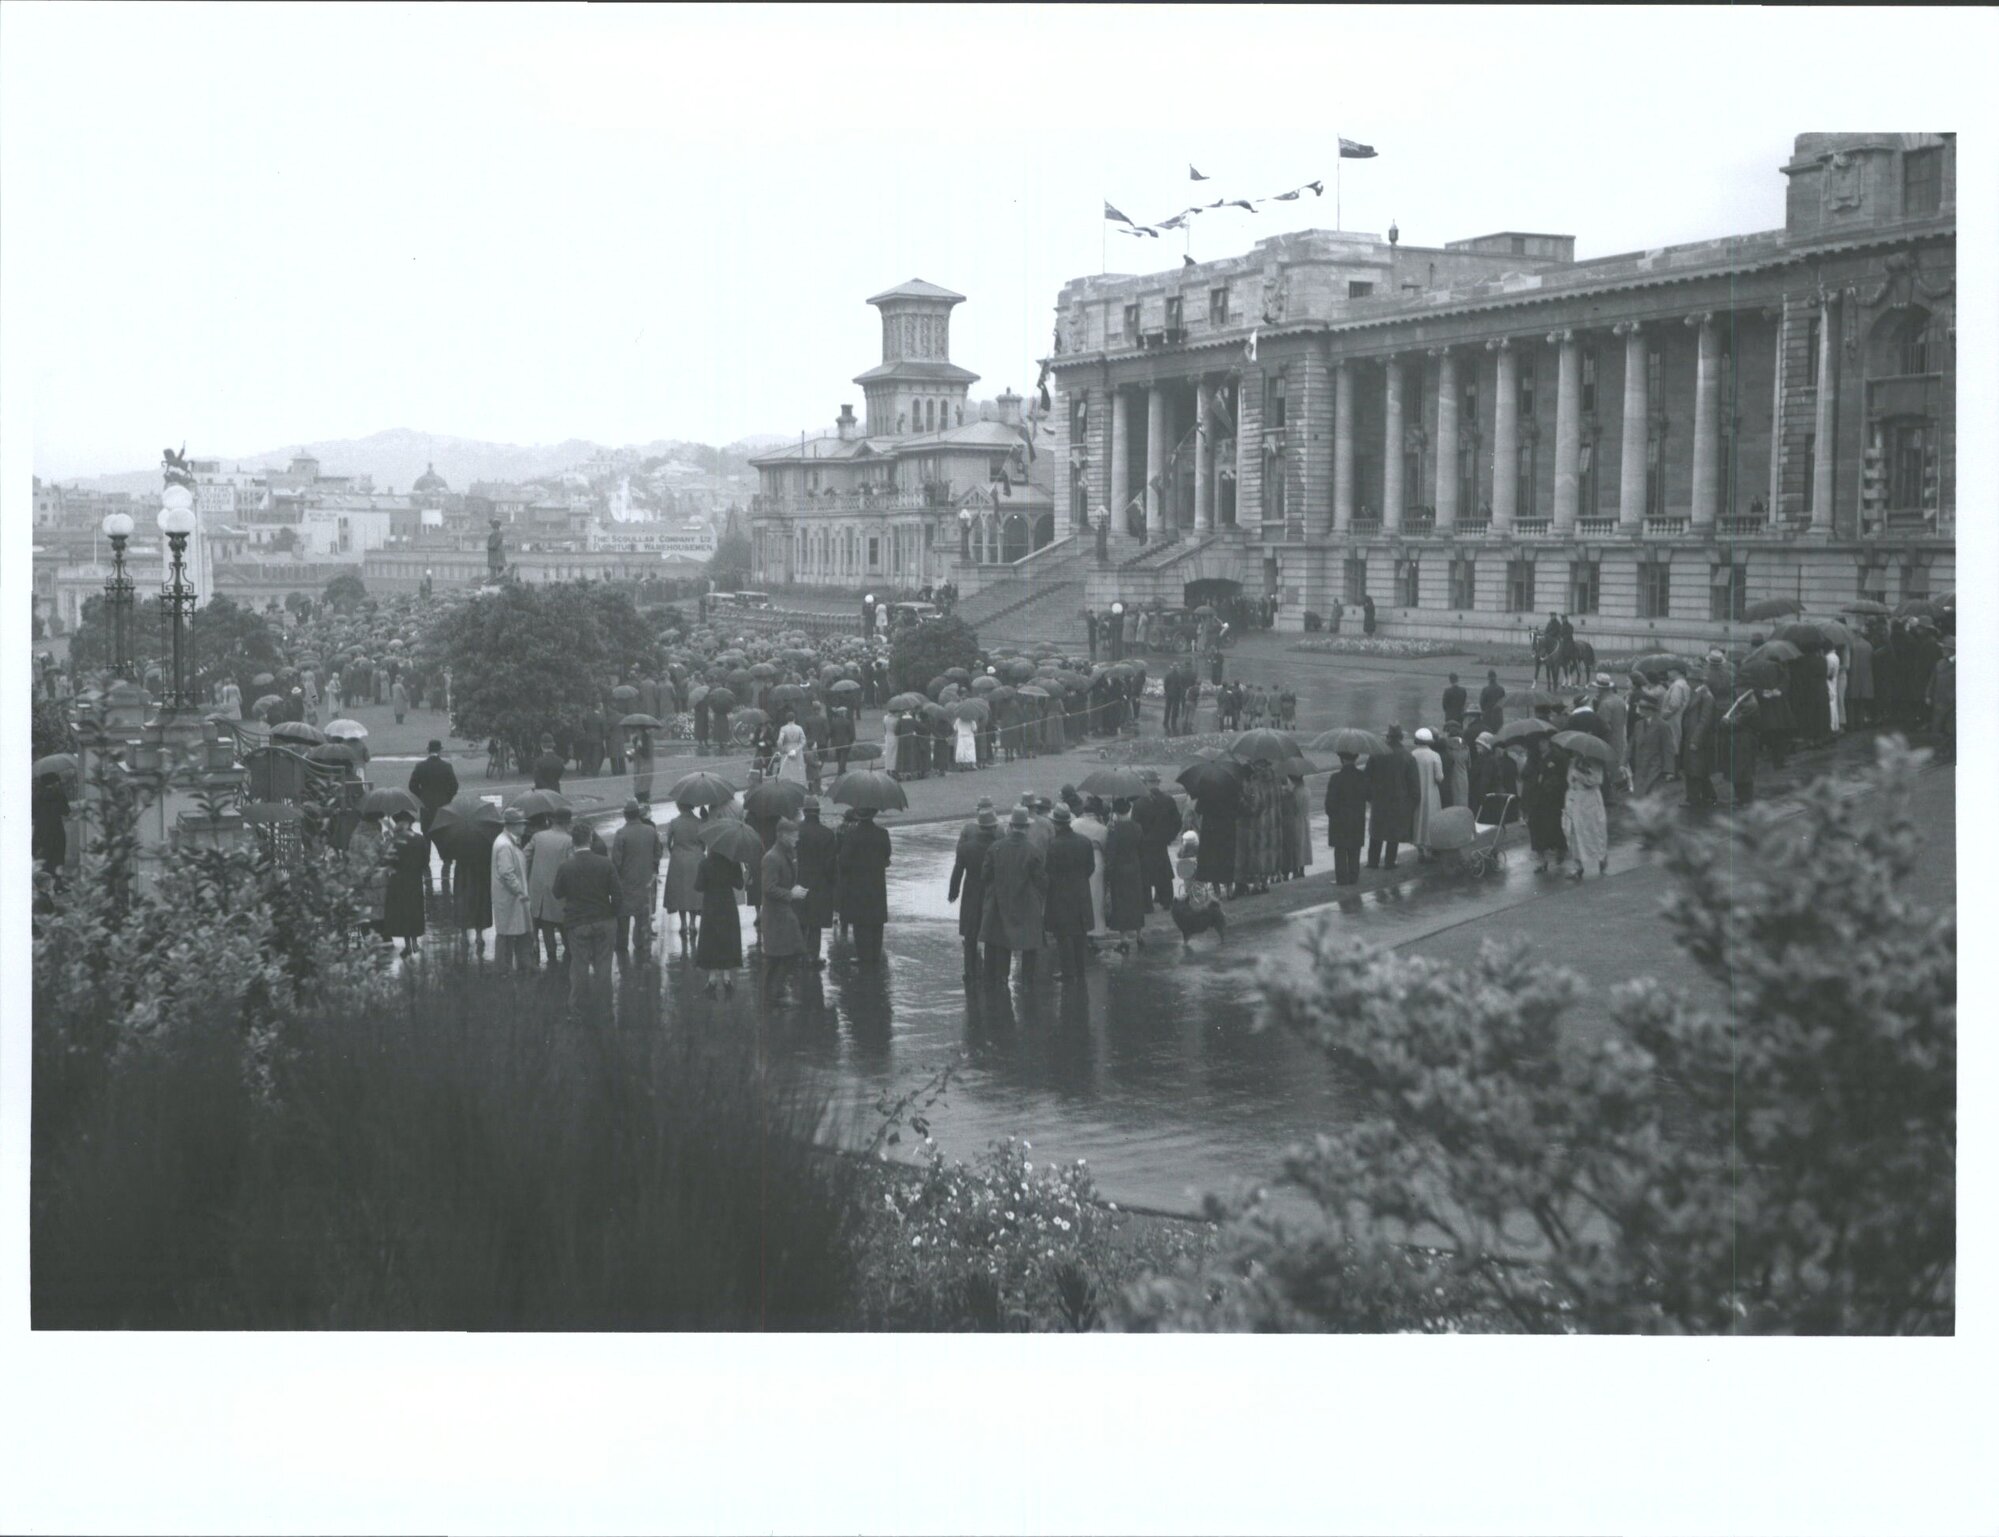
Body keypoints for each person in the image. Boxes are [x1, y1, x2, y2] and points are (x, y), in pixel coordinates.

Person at [552, 820, 619, 1018]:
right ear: (590, 839)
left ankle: (577, 1008)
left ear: (573, 841)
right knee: (603, 965)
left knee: (579, 965)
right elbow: (617, 894)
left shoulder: (566, 866)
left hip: (577, 921)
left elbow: (557, 893)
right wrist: (612, 914)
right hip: (603, 919)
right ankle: (604, 1007)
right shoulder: (605, 863)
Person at [979, 807, 1046, 982]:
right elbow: (1041, 880)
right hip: (1027, 903)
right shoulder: (1033, 850)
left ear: (1010, 825)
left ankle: (1002, 980)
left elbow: (985, 876)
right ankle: (1027, 982)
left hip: (1001, 902)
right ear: (1027, 827)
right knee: (1030, 944)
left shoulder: (996, 847)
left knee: (1002, 942)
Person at [1042, 805, 1096, 980]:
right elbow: (1090, 868)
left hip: (1060, 894)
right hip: (1081, 891)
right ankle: (1080, 970)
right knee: (1080, 933)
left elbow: (1048, 871)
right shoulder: (1084, 842)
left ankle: (1068, 972)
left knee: (1063, 935)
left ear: (1056, 823)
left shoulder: (1054, 845)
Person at [948, 803, 1001, 980]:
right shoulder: (999, 847)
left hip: (971, 891)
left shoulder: (965, 847)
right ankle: (991, 973)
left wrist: (953, 892)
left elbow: (957, 871)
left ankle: (969, 972)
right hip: (992, 892)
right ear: (993, 827)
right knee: (992, 933)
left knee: (970, 935)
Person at [759, 819, 810, 1000]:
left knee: (789, 953)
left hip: (784, 913)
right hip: (775, 916)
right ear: (783, 836)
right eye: (794, 835)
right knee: (778, 957)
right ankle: (772, 996)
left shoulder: (788, 853)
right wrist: (791, 893)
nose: (797, 839)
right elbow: (768, 888)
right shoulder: (772, 857)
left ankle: (774, 993)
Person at [836, 806, 891, 963]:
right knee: (877, 924)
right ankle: (875, 955)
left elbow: (843, 862)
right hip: (877, 885)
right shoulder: (882, 833)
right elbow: (887, 854)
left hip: (858, 886)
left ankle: (863, 956)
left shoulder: (851, 835)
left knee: (860, 925)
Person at [610, 799, 662, 962]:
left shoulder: (621, 834)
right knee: (642, 917)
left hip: (626, 883)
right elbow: (658, 853)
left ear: (625, 816)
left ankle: (622, 948)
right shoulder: (650, 831)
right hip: (645, 882)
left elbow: (616, 861)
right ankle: (640, 948)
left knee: (623, 919)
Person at [693, 841, 745, 996]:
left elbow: (698, 886)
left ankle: (712, 978)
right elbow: (739, 885)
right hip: (728, 905)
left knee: (711, 940)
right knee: (727, 939)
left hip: (710, 906)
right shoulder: (733, 863)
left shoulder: (704, 864)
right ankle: (727, 978)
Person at [794, 797, 839, 967]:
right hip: (820, 883)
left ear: (804, 812)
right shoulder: (827, 834)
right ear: (818, 812)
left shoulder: (797, 831)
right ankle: (813, 955)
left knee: (800, 920)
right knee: (815, 923)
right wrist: (833, 882)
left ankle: (799, 954)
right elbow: (831, 864)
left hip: (799, 881)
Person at [1364, 726, 1417, 870]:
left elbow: (1366, 778)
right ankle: (1389, 861)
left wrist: (1369, 797)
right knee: (1393, 833)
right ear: (1401, 737)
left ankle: (1373, 861)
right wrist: (1413, 801)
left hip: (1379, 798)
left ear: (1388, 737)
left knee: (1377, 831)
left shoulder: (1376, 754)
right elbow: (1413, 783)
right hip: (1399, 800)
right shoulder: (1407, 756)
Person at [526, 811, 573, 968]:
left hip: (538, 888)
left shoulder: (538, 837)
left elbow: (525, 856)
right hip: (560, 890)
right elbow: (572, 865)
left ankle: (550, 956)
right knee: (564, 924)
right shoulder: (569, 841)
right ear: (567, 822)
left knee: (546, 924)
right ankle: (568, 956)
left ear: (551, 821)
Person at [490, 807, 535, 973]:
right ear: (513, 825)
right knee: (506, 933)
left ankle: (523, 964)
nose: (524, 827)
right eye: (522, 824)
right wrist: (520, 892)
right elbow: (507, 873)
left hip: (512, 896)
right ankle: (503, 969)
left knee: (518, 930)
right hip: (509, 897)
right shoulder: (504, 845)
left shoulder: (508, 841)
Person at [407, 739, 459, 879]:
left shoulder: (420, 766)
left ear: (428, 750)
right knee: (443, 835)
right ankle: (446, 862)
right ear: (440, 750)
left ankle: (425, 864)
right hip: (443, 807)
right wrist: (447, 799)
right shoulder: (446, 766)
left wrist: (421, 796)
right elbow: (454, 786)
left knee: (427, 837)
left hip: (426, 807)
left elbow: (412, 785)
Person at [380, 808, 428, 958]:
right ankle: (415, 943)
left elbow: (386, 861)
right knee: (415, 910)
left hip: (398, 881)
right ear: (411, 823)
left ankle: (407, 944)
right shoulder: (420, 839)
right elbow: (425, 862)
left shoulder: (394, 840)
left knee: (403, 912)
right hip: (415, 880)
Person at [1133, 769, 1182, 912]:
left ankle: (1147, 905)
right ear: (1158, 783)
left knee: (1146, 876)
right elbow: (1177, 822)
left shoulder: (1139, 803)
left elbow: (1135, 826)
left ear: (1145, 783)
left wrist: (1140, 840)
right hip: (1161, 843)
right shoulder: (1168, 800)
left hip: (1145, 844)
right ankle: (1166, 901)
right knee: (1164, 873)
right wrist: (1169, 837)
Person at [1169, 829, 1226, 947]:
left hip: (1189, 889)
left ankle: (1187, 938)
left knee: (1192, 914)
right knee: (1201, 908)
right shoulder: (1199, 858)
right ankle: (1220, 938)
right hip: (1199, 888)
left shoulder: (1182, 857)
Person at [1562, 751, 1609, 880]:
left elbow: (1597, 779)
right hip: (1575, 799)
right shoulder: (1573, 761)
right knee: (1573, 832)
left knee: (1593, 831)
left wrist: (1581, 775)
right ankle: (1577, 866)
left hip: (1590, 801)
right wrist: (1571, 779)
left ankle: (1601, 857)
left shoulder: (1595, 762)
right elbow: (1569, 779)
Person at [1323, 752, 1368, 885]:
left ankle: (1341, 878)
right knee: (1355, 848)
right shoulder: (1362, 776)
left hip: (1339, 820)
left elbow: (1329, 803)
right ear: (1356, 758)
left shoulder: (1336, 778)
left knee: (1340, 850)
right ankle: (1354, 876)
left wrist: (1332, 815)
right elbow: (1369, 795)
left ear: (1341, 759)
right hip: (1357, 818)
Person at [1681, 670, 1718, 809]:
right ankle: (1709, 796)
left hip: (1698, 738)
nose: (1688, 682)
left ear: (1697, 681)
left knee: (1695, 769)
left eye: (1690, 679)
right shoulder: (1697, 693)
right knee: (1696, 768)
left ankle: (1693, 799)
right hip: (1692, 735)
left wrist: (1696, 740)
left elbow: (1705, 721)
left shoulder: (1706, 696)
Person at [1410, 727, 1445, 860]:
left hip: (1416, 793)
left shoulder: (1412, 755)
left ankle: (1419, 851)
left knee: (1418, 819)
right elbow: (1439, 777)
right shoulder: (1435, 755)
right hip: (1432, 792)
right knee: (1431, 820)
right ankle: (1429, 849)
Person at [32, 770, 69, 878]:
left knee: (43, 859)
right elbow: (66, 811)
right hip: (56, 830)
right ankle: (58, 885)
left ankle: (44, 886)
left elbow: (32, 814)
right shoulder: (59, 794)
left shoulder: (36, 795)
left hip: (40, 831)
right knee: (58, 858)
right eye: (58, 782)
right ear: (54, 782)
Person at [1928, 637, 1955, 762]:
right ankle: (1941, 751)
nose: (1943, 651)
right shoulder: (1939, 663)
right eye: (1943, 648)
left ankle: (1948, 752)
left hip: (1952, 702)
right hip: (1939, 700)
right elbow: (1932, 681)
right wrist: (1928, 694)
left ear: (1952, 650)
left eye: (1946, 649)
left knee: (1950, 728)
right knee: (1937, 727)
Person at [630, 727, 656, 803]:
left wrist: (640, 748)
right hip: (638, 766)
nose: (636, 732)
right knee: (637, 786)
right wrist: (631, 754)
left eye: (637, 730)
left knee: (644, 786)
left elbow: (647, 754)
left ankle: (645, 803)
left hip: (646, 766)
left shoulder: (648, 739)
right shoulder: (635, 739)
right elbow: (636, 752)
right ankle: (639, 802)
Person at [1479, 670, 1507, 736]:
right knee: (1498, 734)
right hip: (1498, 715)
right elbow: (1503, 701)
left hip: (1488, 716)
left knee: (1488, 734)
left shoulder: (1485, 690)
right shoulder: (1501, 689)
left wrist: (1484, 710)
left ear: (1488, 678)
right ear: (1496, 677)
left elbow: (1481, 703)